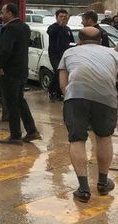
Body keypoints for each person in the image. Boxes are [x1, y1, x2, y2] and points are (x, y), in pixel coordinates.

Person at [58, 27, 118, 202]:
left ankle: (83, 189)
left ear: (80, 40)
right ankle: (102, 182)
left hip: (76, 96)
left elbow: (63, 84)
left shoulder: (69, 52)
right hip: (106, 98)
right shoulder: (113, 54)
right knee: (104, 137)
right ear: (101, 40)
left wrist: (69, 96)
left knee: (77, 139)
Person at [0, 3, 41, 145]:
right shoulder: (24, 27)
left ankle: (15, 135)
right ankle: (32, 130)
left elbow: (6, 50)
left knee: (12, 104)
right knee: (20, 100)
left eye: (2, 12)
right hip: (22, 70)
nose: (1, 15)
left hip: (10, 71)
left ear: (9, 13)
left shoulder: (10, 29)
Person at [47, 9, 74, 101]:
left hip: (66, 54)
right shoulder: (52, 27)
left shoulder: (67, 29)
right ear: (56, 17)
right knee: (58, 71)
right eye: (61, 17)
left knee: (64, 74)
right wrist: (60, 26)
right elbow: (51, 33)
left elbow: (71, 42)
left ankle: (58, 93)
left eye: (65, 17)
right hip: (55, 55)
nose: (63, 18)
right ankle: (51, 90)